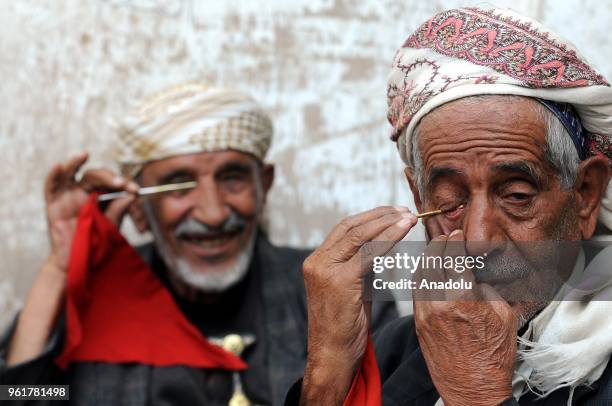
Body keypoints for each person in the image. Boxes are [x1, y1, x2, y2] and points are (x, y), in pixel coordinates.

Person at [0, 83, 398, 405]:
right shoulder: (95, 303)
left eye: (233, 178)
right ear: (139, 208)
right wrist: (60, 268)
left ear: (265, 186)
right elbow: (19, 397)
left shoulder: (341, 290)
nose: (211, 212)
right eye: (180, 185)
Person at [290, 7, 612, 406]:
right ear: (419, 198)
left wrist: (474, 391)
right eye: (450, 204)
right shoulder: (398, 350)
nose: (478, 241)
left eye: (516, 196)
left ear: (585, 194)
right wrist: (328, 368)